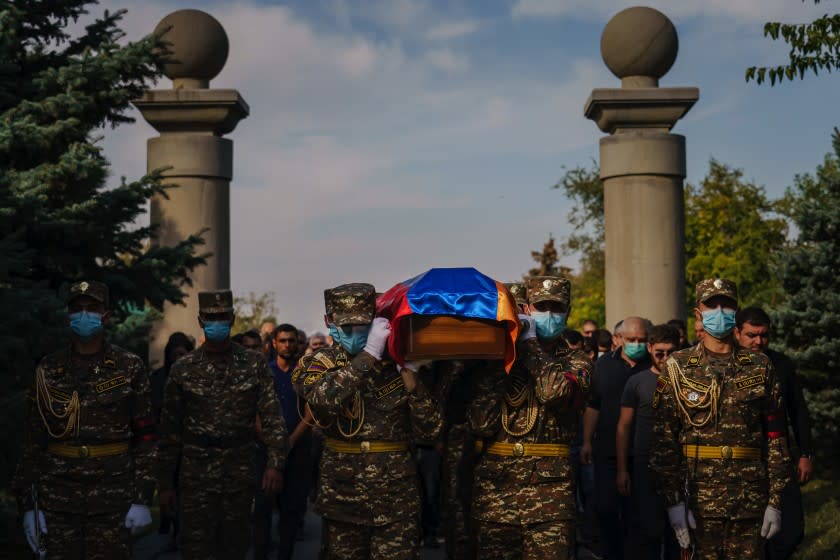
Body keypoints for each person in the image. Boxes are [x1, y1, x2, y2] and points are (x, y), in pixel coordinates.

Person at [292, 283, 443, 558]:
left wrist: (412, 382)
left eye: (362, 325)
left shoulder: (395, 362)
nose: (354, 332)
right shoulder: (316, 363)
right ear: (329, 321)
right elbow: (321, 400)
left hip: (396, 498)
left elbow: (431, 429)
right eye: (346, 325)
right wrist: (368, 356)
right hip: (342, 497)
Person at [13, 280, 155, 559]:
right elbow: (32, 441)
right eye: (77, 308)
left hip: (112, 501)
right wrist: (29, 506)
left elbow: (146, 438)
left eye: (92, 308)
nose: (84, 314)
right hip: (58, 501)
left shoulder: (130, 367)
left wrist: (142, 498)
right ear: (68, 315)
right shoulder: (49, 369)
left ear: (106, 315)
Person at [650, 279, 789, 559]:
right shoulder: (678, 366)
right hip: (698, 501)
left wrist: (775, 501)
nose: (720, 311)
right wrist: (674, 504)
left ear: (736, 312)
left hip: (749, 499)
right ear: (698, 312)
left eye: (727, 305)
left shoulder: (761, 366)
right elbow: (664, 442)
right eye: (712, 305)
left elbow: (775, 437)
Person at [158, 290, 288, 559]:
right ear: (201, 320)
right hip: (195, 473)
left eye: (222, 317)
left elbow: (273, 417)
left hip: (238, 470)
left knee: (235, 546)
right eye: (210, 317)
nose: (216, 322)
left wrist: (275, 463)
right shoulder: (183, 369)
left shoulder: (253, 364)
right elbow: (170, 431)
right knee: (195, 548)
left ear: (232, 319)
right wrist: (165, 483)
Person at [469, 276, 592, 559]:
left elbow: (553, 393)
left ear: (568, 312)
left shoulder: (578, 362)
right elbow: (480, 423)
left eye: (556, 308)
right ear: (526, 308)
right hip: (496, 493)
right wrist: (506, 354)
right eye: (541, 306)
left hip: (550, 499)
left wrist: (531, 344)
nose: (548, 314)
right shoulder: (499, 358)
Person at [734, 306, 812, 560]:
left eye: (764, 335)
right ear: (737, 333)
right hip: (740, 462)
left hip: (778, 457)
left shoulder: (781, 365)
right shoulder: (726, 366)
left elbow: (798, 410)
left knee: (791, 529)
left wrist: (805, 453)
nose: (759, 341)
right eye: (751, 335)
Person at [581, 316, 651, 560]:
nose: (637, 344)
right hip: (607, 450)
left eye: (642, 340)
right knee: (605, 508)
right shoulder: (604, 366)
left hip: (643, 453)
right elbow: (593, 404)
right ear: (619, 339)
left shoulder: (654, 365)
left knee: (638, 515)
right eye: (631, 339)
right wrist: (587, 440)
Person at [615, 324, 681, 560]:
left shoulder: (689, 381)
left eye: (670, 353)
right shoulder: (637, 381)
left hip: (680, 467)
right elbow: (624, 426)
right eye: (659, 353)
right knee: (647, 533)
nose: (665, 358)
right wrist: (623, 470)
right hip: (645, 466)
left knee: (680, 535)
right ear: (650, 348)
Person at [263, 323, 313, 560]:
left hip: (297, 450)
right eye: (282, 340)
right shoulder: (264, 371)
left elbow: (311, 412)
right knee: (262, 513)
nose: (287, 345)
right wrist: (271, 443)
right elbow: (253, 411)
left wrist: (289, 442)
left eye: (291, 340)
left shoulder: (304, 373)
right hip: (264, 451)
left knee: (290, 514)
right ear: (274, 343)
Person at [150, 331, 195, 544]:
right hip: (167, 444)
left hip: (192, 445)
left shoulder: (197, 377)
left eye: (182, 354)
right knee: (170, 487)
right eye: (175, 355)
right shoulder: (159, 378)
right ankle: (175, 527)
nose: (178, 359)